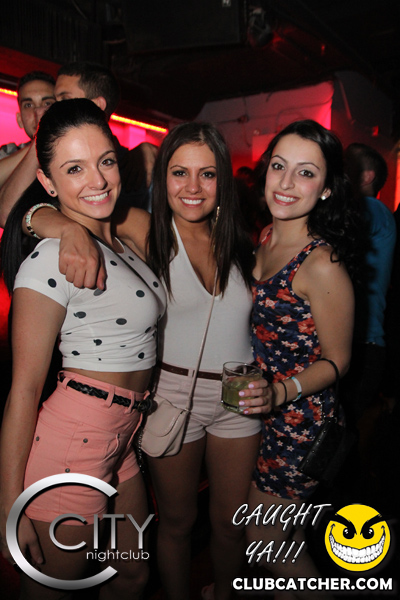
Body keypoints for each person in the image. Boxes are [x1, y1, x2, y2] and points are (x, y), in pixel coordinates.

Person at [14, 121, 270, 600]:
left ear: (224, 181)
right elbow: (51, 210)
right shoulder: (147, 229)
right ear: (161, 178)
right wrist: (61, 226)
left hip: (230, 401)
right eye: (179, 172)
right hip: (167, 397)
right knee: (176, 522)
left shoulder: (244, 244)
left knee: (226, 525)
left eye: (208, 174)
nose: (193, 187)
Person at [0, 98, 166, 600]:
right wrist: (8, 506)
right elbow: (23, 391)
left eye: (105, 161)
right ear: (48, 183)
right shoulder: (49, 260)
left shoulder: (123, 243)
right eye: (74, 169)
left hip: (124, 436)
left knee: (133, 573)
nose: (97, 180)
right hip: (74, 443)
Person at [245, 120, 357, 599]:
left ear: (326, 188)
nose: (286, 182)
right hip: (261, 415)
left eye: (306, 172)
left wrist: (280, 392)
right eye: (278, 166)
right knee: (280, 546)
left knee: (266, 539)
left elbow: (338, 361)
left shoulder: (321, 263)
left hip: (301, 425)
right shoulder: (267, 236)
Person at [0, 61, 156, 229]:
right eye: (74, 169)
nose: (49, 109)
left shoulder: (134, 167)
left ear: (97, 106)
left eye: (107, 162)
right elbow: (7, 214)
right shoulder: (26, 155)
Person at [343, 142, 396, 424]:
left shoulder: (373, 208)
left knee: (340, 435)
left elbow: (339, 227)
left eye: (347, 166)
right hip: (357, 343)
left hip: (363, 345)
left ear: (367, 176)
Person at [0, 71, 56, 224]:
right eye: (28, 105)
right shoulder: (10, 152)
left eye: (47, 103)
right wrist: (40, 141)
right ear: (19, 119)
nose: (38, 111)